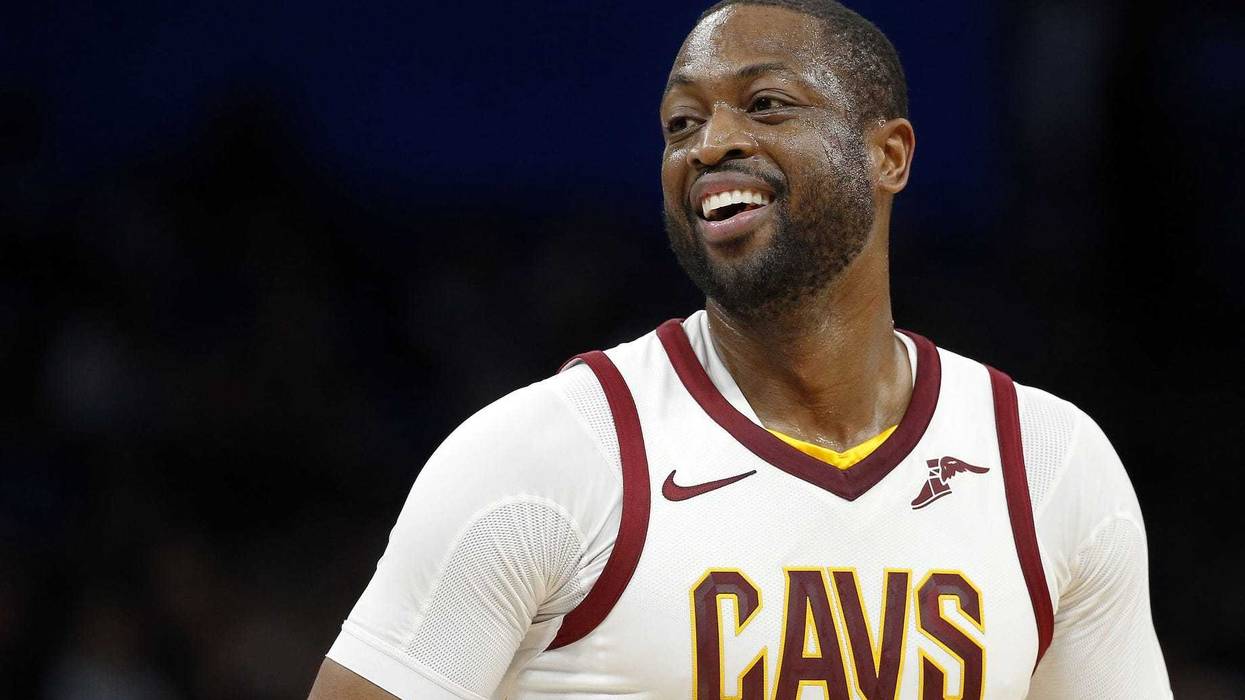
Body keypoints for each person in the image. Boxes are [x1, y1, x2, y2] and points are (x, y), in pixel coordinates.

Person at [308, 1, 1171, 697]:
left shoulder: (1048, 463)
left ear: (889, 154)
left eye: (764, 104)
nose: (709, 143)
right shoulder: (543, 459)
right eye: (681, 123)